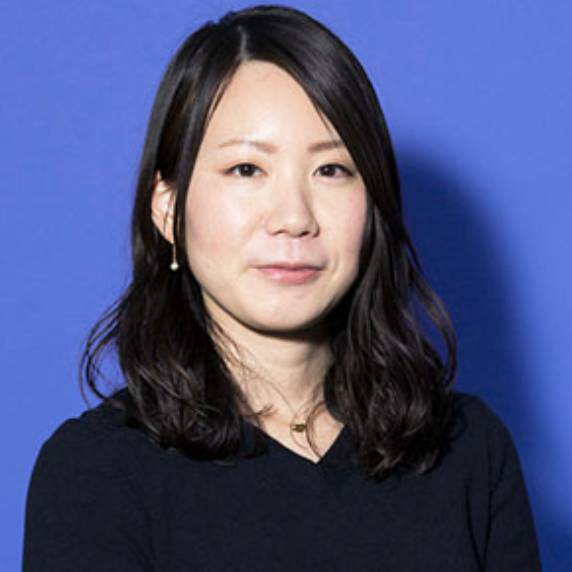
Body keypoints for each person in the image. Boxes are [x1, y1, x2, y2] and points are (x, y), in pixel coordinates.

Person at [22, 4, 542, 571]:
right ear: (168, 208)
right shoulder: (96, 473)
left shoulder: (469, 451)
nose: (294, 217)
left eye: (331, 170)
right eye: (247, 169)